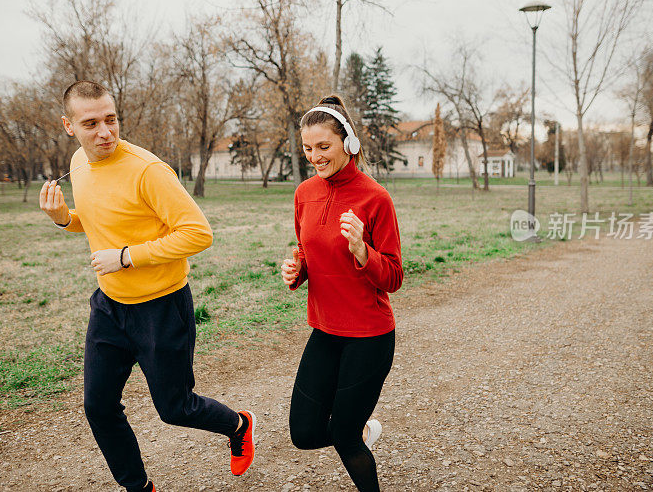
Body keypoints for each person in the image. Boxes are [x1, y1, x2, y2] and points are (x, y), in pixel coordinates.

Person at [39, 80, 255, 492]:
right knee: (98, 407)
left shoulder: (148, 170)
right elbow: (98, 220)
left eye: (111, 119)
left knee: (175, 409)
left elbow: (198, 233)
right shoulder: (79, 165)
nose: (105, 132)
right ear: (69, 126)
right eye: (91, 123)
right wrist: (64, 217)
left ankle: (238, 424)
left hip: (161, 307)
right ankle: (139, 488)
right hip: (109, 306)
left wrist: (125, 256)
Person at [281, 95, 403, 492]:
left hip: (369, 336)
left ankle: (353, 430)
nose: (315, 156)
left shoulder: (375, 197)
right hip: (326, 331)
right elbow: (307, 250)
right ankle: (360, 427)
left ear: (348, 143)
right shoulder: (304, 194)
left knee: (344, 436)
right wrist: (297, 269)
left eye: (324, 146)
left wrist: (363, 253)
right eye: (307, 148)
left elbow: (395, 276)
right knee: (303, 432)